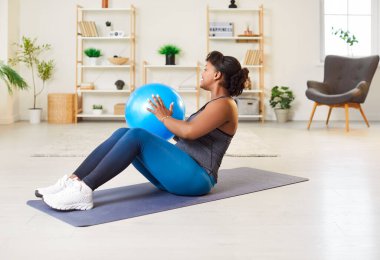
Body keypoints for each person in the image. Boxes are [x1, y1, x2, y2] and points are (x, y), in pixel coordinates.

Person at [36, 51, 249, 211]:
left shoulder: (224, 105)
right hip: (180, 172)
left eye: (206, 69)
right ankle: (74, 181)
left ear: (217, 75)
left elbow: (190, 132)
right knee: (124, 133)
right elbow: (189, 134)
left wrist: (165, 117)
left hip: (197, 178)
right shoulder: (215, 104)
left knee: (137, 135)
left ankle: (84, 192)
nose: (202, 73)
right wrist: (170, 120)